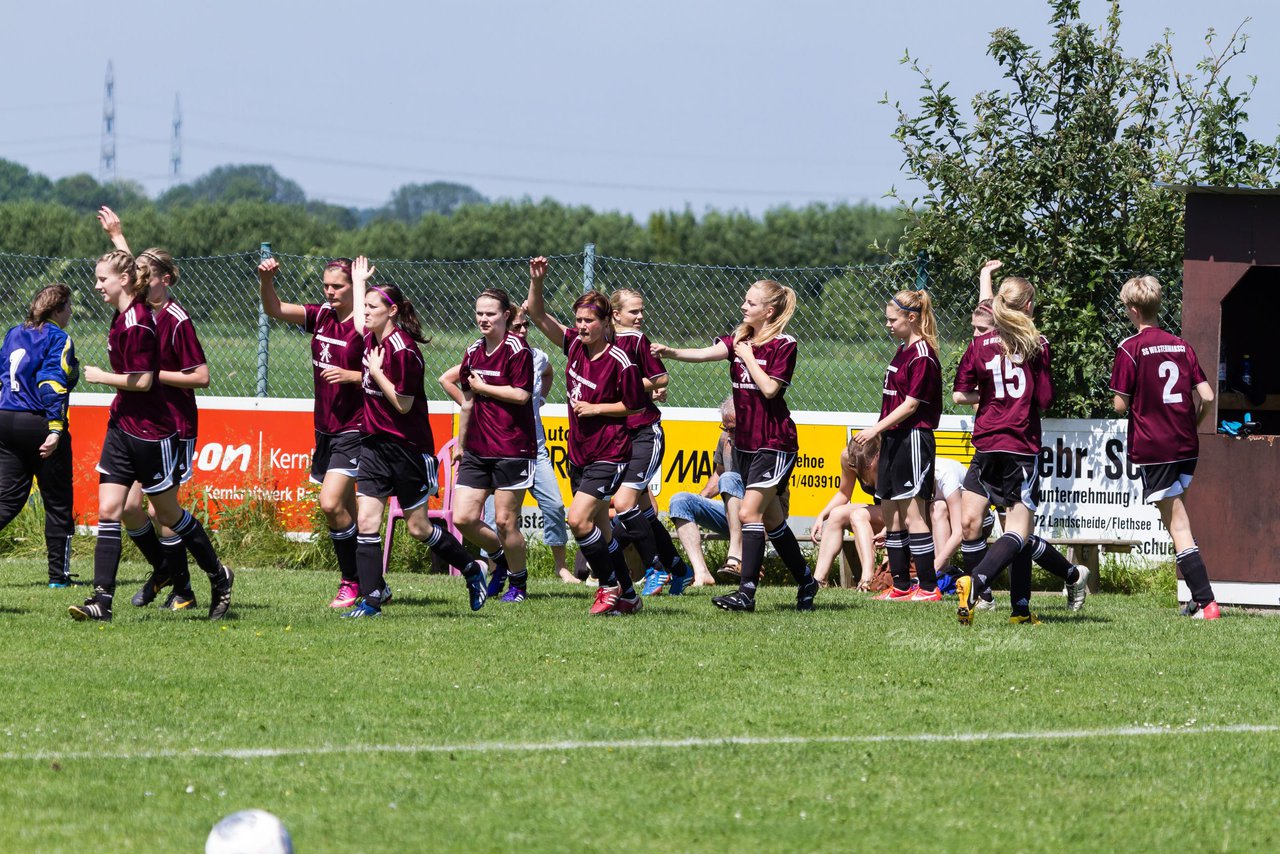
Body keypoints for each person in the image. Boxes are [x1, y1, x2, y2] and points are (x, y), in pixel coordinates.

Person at [70, 250, 233, 622]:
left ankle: (218, 576)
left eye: (102, 280)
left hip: (153, 435)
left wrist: (101, 377)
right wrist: (115, 238)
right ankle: (101, 601)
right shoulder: (125, 311)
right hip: (121, 427)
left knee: (169, 514)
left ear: (123, 281)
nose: (96, 286)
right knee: (112, 510)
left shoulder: (141, 322)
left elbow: (143, 381)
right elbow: (131, 267)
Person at [652, 279, 818, 613]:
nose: (744, 307)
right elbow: (705, 353)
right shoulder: (741, 338)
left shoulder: (784, 343)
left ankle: (746, 592)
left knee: (748, 513)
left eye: (751, 303)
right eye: (745, 301)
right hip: (747, 445)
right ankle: (806, 580)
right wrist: (671, 352)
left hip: (775, 442)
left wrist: (748, 357)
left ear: (768, 311)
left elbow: (771, 390)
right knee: (770, 521)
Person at [343, 257, 489, 617]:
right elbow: (363, 326)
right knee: (367, 521)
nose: (365, 313)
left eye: (372, 308)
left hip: (407, 450)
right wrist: (360, 281)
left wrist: (376, 373)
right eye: (365, 307)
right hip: (373, 444)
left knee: (419, 527)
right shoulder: (374, 338)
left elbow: (403, 405)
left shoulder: (404, 351)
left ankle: (472, 569)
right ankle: (373, 598)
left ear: (391, 312)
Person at [99, 208, 210, 611]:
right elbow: (123, 273)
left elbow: (201, 377)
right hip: (141, 422)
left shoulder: (177, 319)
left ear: (164, 279)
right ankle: (165, 571)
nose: (139, 278)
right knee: (129, 508)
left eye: (147, 273)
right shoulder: (139, 310)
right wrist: (117, 235)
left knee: (160, 510)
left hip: (174, 425)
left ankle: (185, 589)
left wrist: (151, 375)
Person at [963, 261, 1089, 613]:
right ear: (1030, 305)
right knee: (976, 522)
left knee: (1016, 532)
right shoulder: (988, 340)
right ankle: (987, 594)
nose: (977, 331)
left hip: (1018, 440)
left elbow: (1041, 399)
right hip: (988, 439)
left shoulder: (1032, 343)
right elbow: (1044, 398)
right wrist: (984, 276)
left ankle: (1007, 599)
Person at [525, 256, 648, 616]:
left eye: (588, 321)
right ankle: (629, 594)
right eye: (577, 320)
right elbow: (537, 314)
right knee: (603, 530)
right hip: (581, 453)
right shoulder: (575, 347)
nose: (580, 327)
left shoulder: (619, 361)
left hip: (610, 453)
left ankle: (608, 587)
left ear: (605, 322)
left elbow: (634, 406)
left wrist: (596, 409)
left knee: (578, 520)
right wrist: (537, 281)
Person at [953, 272, 1063, 625]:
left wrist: (991, 395)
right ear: (1029, 306)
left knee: (993, 526)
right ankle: (978, 582)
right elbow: (1044, 398)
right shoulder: (1036, 343)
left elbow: (961, 392)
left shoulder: (980, 344)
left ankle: (1019, 611)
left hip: (986, 442)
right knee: (1017, 531)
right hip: (1020, 443)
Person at [258, 254, 364, 609]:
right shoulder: (320, 316)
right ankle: (370, 580)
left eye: (339, 286)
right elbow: (274, 309)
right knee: (349, 509)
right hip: (326, 428)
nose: (330, 292)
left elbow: (389, 375)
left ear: (355, 287)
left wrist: (353, 376)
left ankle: (350, 582)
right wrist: (267, 280)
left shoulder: (365, 325)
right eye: (326, 286)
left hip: (356, 428)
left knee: (330, 503)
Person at [440, 307, 575, 586]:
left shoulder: (534, 356)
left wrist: (541, 400)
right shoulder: (480, 350)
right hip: (487, 447)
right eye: (517, 326)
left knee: (551, 505)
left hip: (530, 449)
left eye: (526, 325)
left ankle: (557, 568)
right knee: (488, 518)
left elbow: (537, 384)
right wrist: (473, 409)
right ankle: (498, 567)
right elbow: (450, 381)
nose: (523, 330)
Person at [1110, 275, 1218, 619]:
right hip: (1187, 445)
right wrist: (1194, 425)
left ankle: (1207, 602)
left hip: (1156, 449)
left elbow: (1120, 405)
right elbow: (1207, 396)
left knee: (1179, 526)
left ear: (1131, 309)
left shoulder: (1130, 347)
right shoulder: (1182, 346)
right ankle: (1193, 599)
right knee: (1177, 522)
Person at [443, 287, 536, 603]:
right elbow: (468, 401)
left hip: (512, 449)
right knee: (463, 517)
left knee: (505, 521)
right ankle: (501, 561)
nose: (483, 318)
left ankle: (518, 585)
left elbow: (522, 395)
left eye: (490, 313)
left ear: (506, 316)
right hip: (477, 450)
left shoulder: (517, 349)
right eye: (479, 313)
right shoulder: (472, 352)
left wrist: (486, 387)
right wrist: (461, 442)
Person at [852, 289, 944, 601]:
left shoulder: (923, 355)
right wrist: (882, 434)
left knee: (913, 513)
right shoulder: (902, 350)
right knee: (890, 511)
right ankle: (901, 586)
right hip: (892, 438)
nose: (888, 324)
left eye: (893, 319)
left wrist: (873, 430)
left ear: (912, 317)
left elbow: (910, 405)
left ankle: (929, 587)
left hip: (913, 438)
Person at [810, 434, 964, 591]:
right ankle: (818, 581)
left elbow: (911, 504)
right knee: (836, 514)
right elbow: (844, 493)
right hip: (889, 511)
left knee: (858, 515)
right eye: (859, 468)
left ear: (877, 456)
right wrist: (823, 515)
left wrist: (890, 527)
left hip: (914, 513)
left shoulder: (894, 460)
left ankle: (868, 579)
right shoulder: (850, 459)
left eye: (868, 467)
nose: (864, 472)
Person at [0, 283, 78, 587]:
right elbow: (51, 384)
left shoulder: (13, 332)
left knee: (7, 499)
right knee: (57, 501)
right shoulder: (59, 337)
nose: (71, 311)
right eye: (69, 306)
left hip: (6, 420)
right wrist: (56, 429)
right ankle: (59, 578)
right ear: (57, 310)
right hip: (38, 423)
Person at [666, 397, 744, 587]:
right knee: (680, 501)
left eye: (733, 429)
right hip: (729, 512)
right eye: (725, 427)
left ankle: (738, 557)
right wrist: (699, 502)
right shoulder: (726, 438)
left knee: (730, 478)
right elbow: (718, 475)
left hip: (761, 516)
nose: (728, 433)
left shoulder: (762, 441)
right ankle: (702, 574)